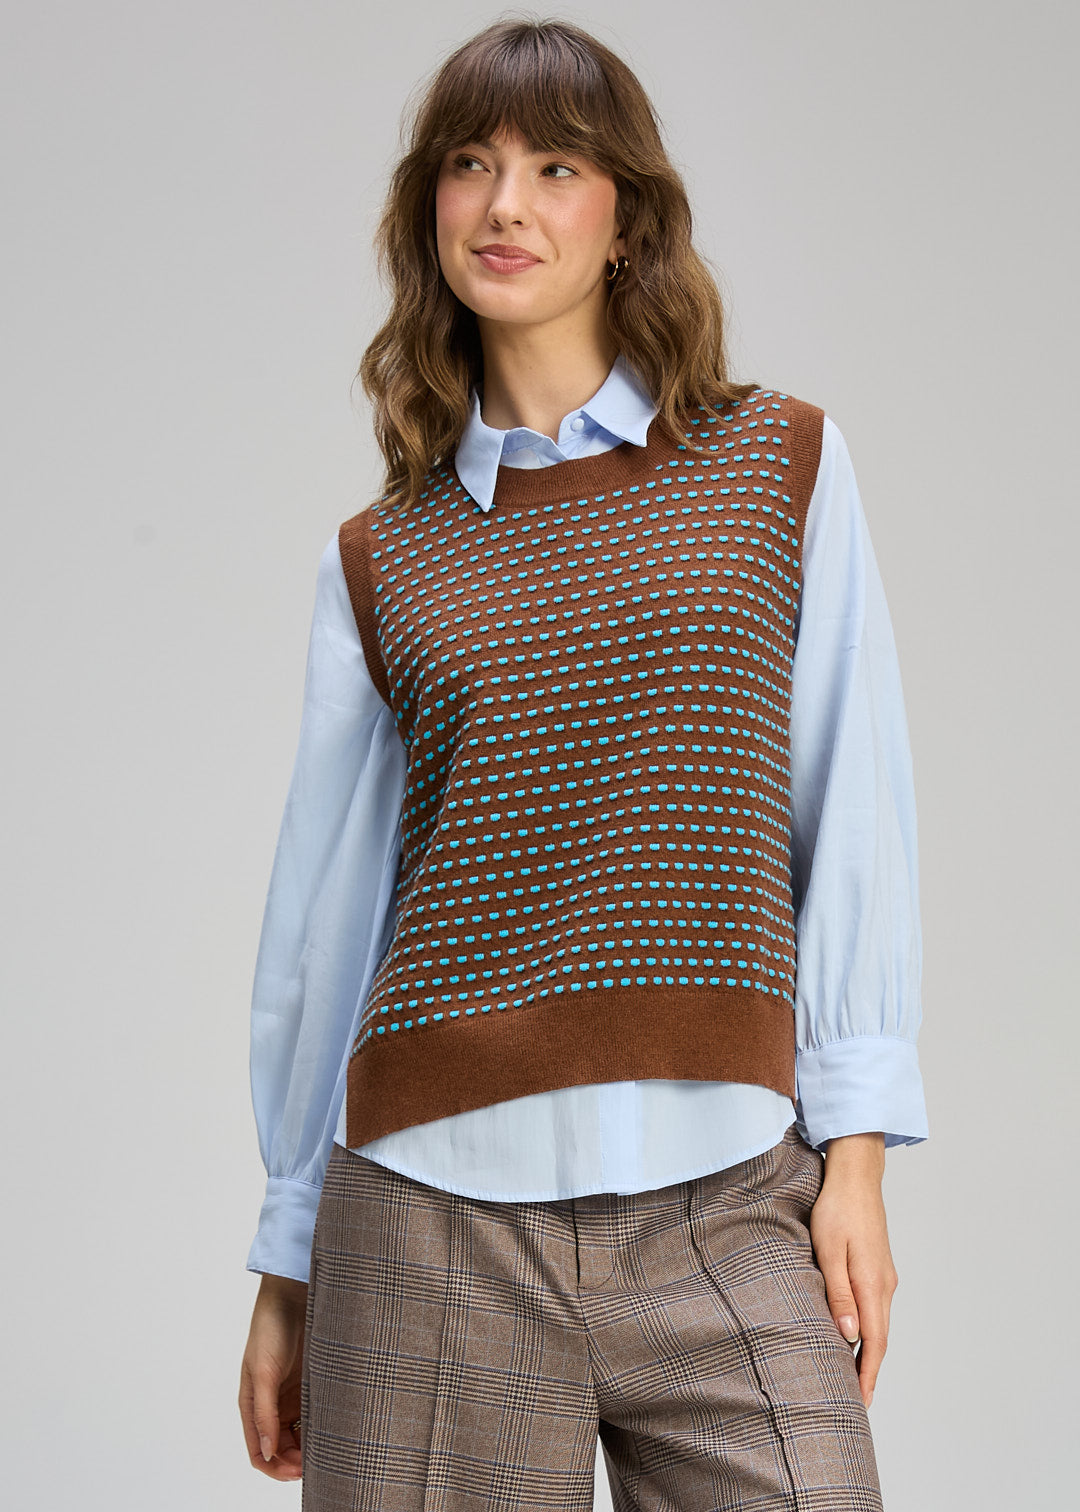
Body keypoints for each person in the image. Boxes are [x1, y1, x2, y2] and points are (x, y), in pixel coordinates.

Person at [238, 17, 928, 1510]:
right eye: (470, 165)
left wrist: (857, 1159)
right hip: (426, 1227)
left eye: (557, 167)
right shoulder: (381, 557)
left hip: (728, 1194)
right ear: (428, 211)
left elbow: (850, 805)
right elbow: (324, 921)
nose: (507, 205)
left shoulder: (779, 466)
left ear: (628, 218)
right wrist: (289, 1254)